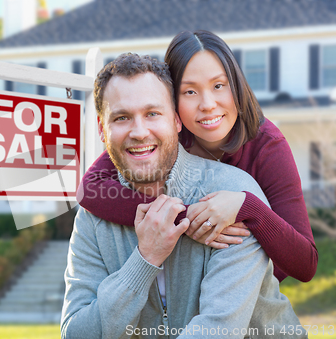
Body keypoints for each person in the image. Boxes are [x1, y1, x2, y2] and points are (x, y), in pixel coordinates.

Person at [61, 53, 306, 338]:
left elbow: (217, 330)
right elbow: (76, 333)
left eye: (152, 113)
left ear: (177, 121)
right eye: (122, 117)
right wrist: (146, 258)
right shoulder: (93, 217)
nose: (139, 132)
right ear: (103, 131)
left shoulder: (233, 198)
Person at [77, 30, 317, 283]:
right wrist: (190, 219)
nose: (208, 104)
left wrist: (246, 206)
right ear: (172, 104)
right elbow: (90, 189)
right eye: (190, 92)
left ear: (236, 85)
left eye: (218, 86)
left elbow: (305, 263)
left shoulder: (267, 145)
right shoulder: (163, 136)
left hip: (249, 288)